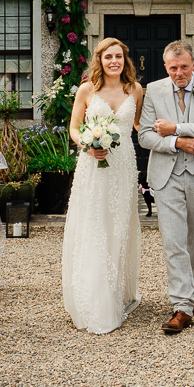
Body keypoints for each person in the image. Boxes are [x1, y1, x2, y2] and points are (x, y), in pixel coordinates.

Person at [138, 41, 194, 335]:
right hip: (166, 175)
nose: (179, 73)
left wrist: (176, 128)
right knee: (174, 241)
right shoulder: (153, 90)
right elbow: (146, 137)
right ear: (166, 67)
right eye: (173, 68)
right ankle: (182, 307)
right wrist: (177, 143)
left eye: (184, 67)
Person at [63, 37, 146, 334]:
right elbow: (74, 127)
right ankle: (93, 297)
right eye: (109, 57)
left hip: (123, 165)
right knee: (94, 225)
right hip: (93, 166)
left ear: (126, 60)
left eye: (119, 57)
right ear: (99, 60)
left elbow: (138, 126)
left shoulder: (134, 90)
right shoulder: (87, 90)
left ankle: (115, 290)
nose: (114, 62)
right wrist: (86, 143)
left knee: (118, 225)